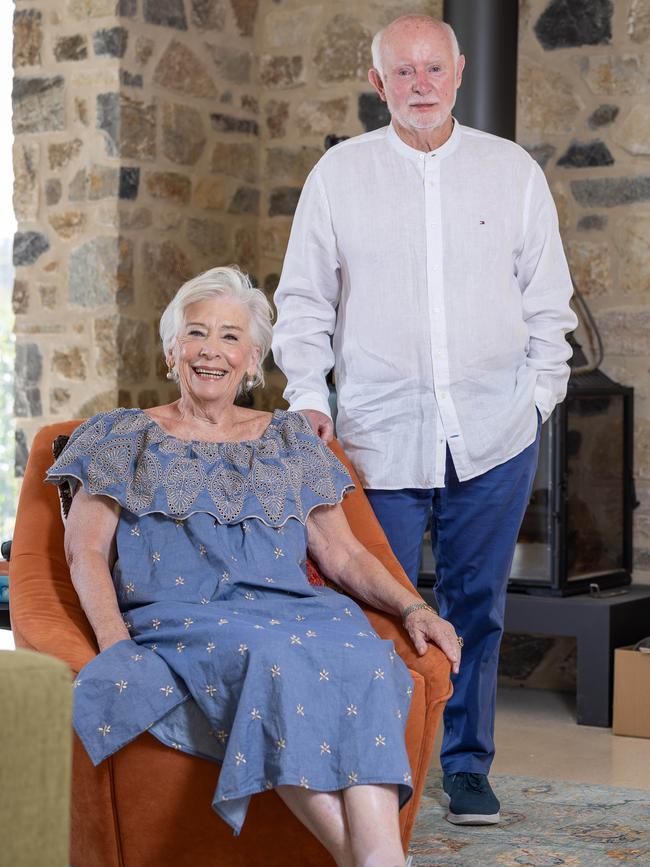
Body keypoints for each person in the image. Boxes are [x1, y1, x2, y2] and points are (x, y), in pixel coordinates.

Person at [47, 265, 462, 867]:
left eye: (230, 337)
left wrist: (413, 606)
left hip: (297, 613)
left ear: (252, 360)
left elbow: (343, 554)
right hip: (187, 620)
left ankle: (375, 860)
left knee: (362, 654)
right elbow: (82, 552)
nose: (211, 350)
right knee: (270, 656)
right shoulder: (121, 435)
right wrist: (116, 645)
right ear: (171, 351)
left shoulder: (289, 440)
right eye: (195, 333)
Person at [272, 15, 578, 826]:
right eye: (401, 72)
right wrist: (308, 395)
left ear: (458, 71)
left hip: (495, 433)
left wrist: (537, 395)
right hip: (376, 439)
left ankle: (468, 765)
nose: (419, 85)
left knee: (478, 605)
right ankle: (386, 765)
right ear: (379, 84)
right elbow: (302, 301)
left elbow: (551, 305)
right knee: (378, 606)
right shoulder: (339, 176)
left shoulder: (510, 172)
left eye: (432, 69)